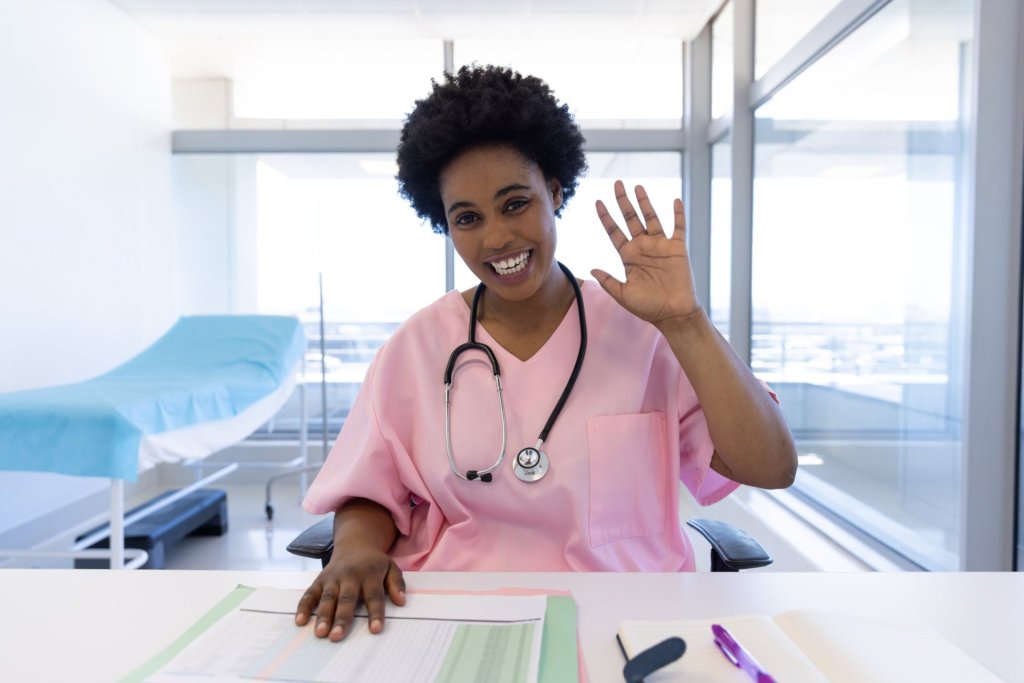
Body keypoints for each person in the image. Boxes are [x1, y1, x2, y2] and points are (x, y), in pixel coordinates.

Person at [294, 64, 797, 642]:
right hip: (453, 615)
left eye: (515, 204)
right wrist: (355, 549)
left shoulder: (647, 332)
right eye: (467, 219)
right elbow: (370, 491)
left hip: (624, 621)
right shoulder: (416, 348)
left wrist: (687, 324)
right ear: (446, 226)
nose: (497, 238)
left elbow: (771, 467)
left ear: (555, 191)